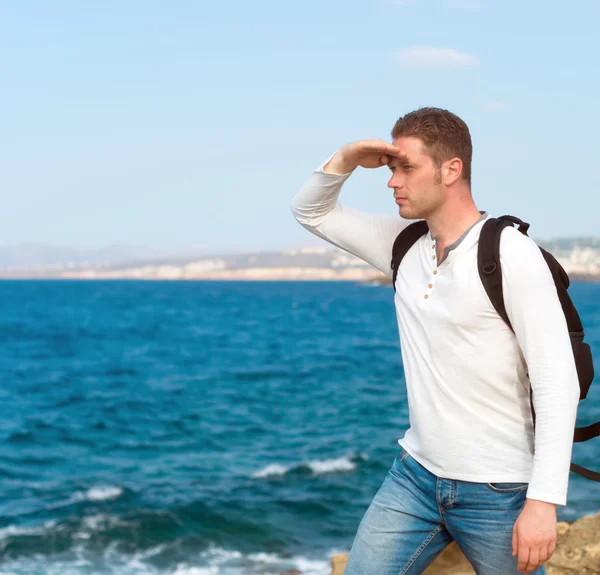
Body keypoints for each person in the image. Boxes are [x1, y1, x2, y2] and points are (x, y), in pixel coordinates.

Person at [290, 107, 580, 575]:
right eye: (390, 168)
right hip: (415, 477)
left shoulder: (511, 254)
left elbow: (557, 381)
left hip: (498, 490)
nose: (392, 182)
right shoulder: (404, 245)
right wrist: (345, 158)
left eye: (407, 168)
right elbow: (310, 210)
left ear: (451, 169)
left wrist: (543, 503)